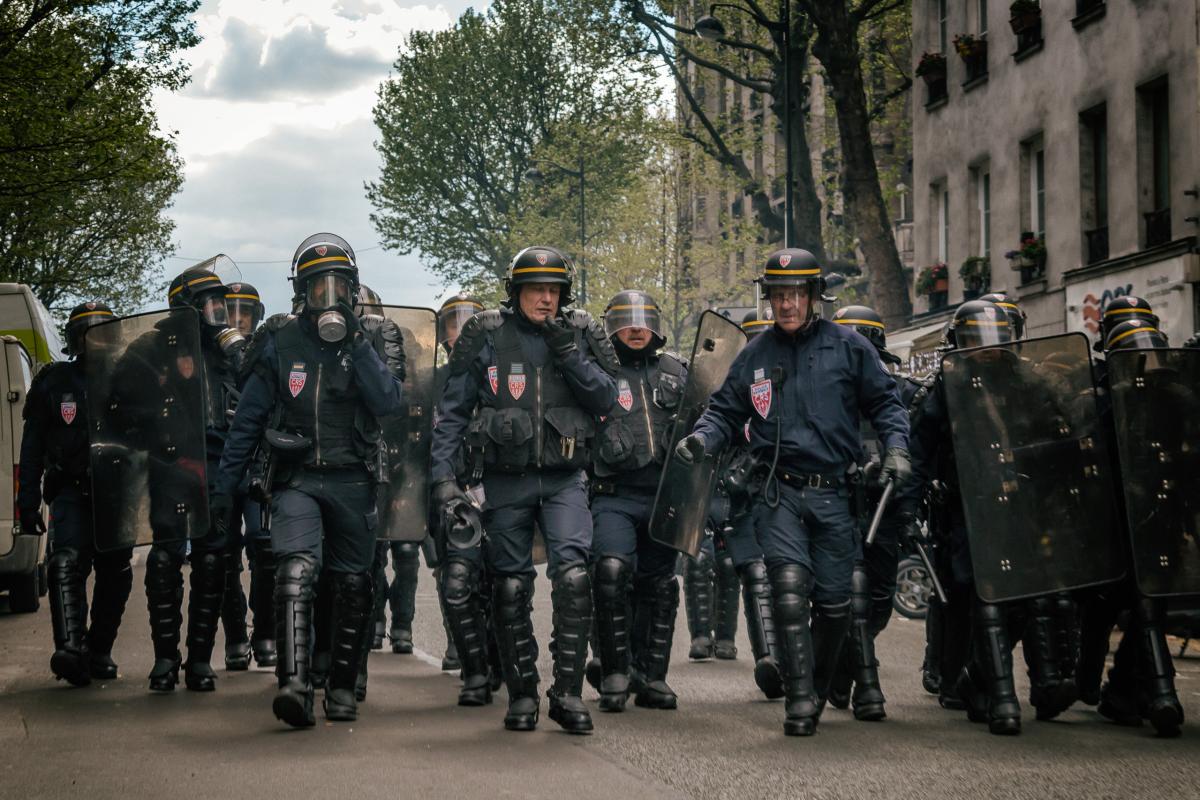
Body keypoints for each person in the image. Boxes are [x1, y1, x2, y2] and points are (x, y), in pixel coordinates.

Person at [676, 248, 910, 736]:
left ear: (813, 297)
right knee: (786, 593)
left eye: (794, 294)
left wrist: (896, 449)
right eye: (778, 295)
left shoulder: (849, 347)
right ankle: (800, 701)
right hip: (778, 494)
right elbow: (724, 411)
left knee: (835, 602)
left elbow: (887, 403)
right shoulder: (755, 355)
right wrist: (702, 438)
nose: (785, 305)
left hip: (833, 495)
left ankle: (818, 687)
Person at [215, 233, 403, 727]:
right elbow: (247, 422)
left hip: (354, 480)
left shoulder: (372, 340)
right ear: (302, 290)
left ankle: (340, 687)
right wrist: (222, 491)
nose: (328, 296)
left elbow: (389, 404)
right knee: (295, 571)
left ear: (352, 289)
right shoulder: (279, 341)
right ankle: (294, 684)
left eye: (337, 285)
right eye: (318, 286)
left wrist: (358, 344)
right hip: (296, 479)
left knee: (352, 585)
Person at [430, 245, 617, 733]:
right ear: (516, 292)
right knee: (510, 587)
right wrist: (443, 479)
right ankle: (522, 695)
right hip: (505, 481)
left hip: (564, 479)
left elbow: (607, 399)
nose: (546, 299)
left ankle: (568, 695)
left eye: (554, 290)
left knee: (575, 578)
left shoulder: (579, 333)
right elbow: (452, 411)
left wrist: (569, 354)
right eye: (536, 289)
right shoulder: (486, 336)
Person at [138, 267, 247, 692]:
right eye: (209, 302)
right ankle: (165, 658)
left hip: (219, 466)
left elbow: (258, 395)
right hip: (169, 464)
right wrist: (154, 417)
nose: (218, 311)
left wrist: (239, 355)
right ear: (186, 306)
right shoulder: (151, 348)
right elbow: (115, 405)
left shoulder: (228, 350)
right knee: (165, 557)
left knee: (213, 559)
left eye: (221, 303)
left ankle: (200, 659)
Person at [18, 302, 131, 686]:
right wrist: (26, 502)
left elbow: (156, 438)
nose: (94, 338)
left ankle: (99, 650)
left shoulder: (129, 381)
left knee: (116, 574)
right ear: (74, 338)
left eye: (102, 330)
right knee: (65, 563)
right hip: (70, 490)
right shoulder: (54, 382)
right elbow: (31, 447)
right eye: (86, 331)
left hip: (116, 495)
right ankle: (70, 649)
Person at [588, 290, 687, 711]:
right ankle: (614, 670)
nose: (635, 327)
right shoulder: (597, 371)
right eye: (627, 320)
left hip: (665, 494)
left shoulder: (678, 371)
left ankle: (651, 676)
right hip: (614, 493)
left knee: (659, 584)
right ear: (612, 325)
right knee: (611, 573)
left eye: (644, 319)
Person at [826, 304, 922, 722]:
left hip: (883, 505)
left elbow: (911, 449)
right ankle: (868, 687)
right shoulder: (826, 389)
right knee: (855, 594)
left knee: (880, 598)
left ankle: (842, 667)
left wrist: (907, 507)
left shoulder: (896, 392)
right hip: (839, 502)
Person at [220, 281, 268, 670]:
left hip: (256, 465)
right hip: (216, 463)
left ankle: (266, 629)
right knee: (220, 553)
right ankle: (235, 634)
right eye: (230, 313)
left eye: (245, 314)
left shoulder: (267, 355)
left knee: (263, 543)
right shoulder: (207, 357)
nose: (237, 320)